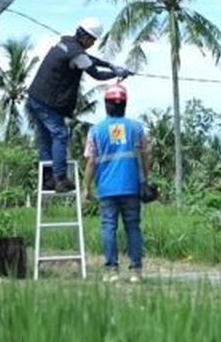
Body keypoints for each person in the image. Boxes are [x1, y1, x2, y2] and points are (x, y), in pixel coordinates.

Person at [26, 17, 131, 193]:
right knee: (60, 135)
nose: (93, 43)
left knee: (46, 139)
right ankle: (60, 179)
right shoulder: (76, 53)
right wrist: (117, 74)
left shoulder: (66, 43)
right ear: (86, 37)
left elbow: (89, 59)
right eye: (93, 40)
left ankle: (48, 179)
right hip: (47, 102)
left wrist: (110, 65)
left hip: (35, 98)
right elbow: (96, 74)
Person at [84, 82, 150, 283]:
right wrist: (145, 179)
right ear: (124, 105)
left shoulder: (96, 131)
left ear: (106, 105)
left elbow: (91, 162)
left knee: (108, 227)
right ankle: (136, 271)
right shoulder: (136, 128)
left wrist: (87, 188)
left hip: (106, 189)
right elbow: (146, 154)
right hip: (131, 187)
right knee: (133, 227)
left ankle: (111, 271)